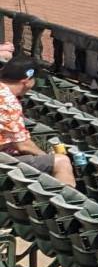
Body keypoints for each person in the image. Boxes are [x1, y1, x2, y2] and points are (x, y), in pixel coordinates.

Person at [0, 57, 75, 186]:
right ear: (26, 81)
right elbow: (22, 145)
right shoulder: (8, 103)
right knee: (61, 161)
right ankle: (66, 202)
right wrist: (43, 155)